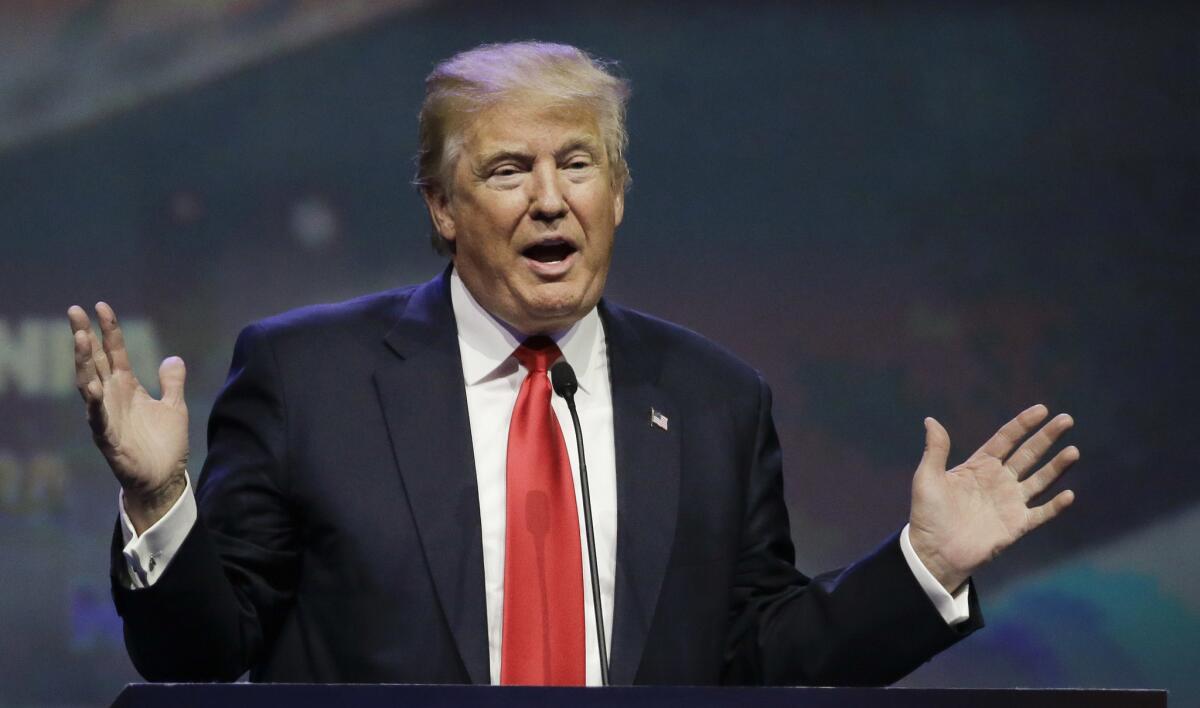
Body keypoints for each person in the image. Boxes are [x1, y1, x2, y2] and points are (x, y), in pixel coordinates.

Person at [67, 41, 1078, 687]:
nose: (550, 200)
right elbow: (198, 655)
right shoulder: (309, 377)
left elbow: (763, 652)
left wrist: (925, 568)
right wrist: (159, 497)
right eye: (509, 170)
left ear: (618, 194)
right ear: (441, 208)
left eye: (578, 165)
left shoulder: (713, 398)